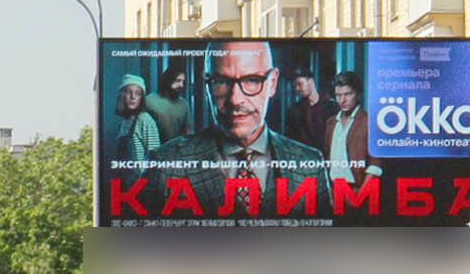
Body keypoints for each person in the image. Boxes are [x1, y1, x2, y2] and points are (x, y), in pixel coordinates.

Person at [145, 39, 329, 212]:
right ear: (207, 85)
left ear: (272, 83)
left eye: (251, 80)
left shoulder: (311, 164)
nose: (235, 99)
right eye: (221, 82)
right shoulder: (164, 164)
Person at [325, 68, 377, 186]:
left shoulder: (368, 121)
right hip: (333, 188)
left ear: (358, 94)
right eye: (338, 95)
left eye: (348, 94)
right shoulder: (331, 123)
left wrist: (362, 194)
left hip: (355, 188)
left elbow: (375, 163)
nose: (342, 100)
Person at [110, 74, 162, 161]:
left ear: (142, 98)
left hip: (141, 174)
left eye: (138, 93)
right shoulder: (123, 123)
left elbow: (155, 157)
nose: (133, 97)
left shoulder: (145, 120)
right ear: (122, 96)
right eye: (128, 92)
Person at [142, 64, 192, 144]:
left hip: (176, 153)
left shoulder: (184, 104)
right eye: (178, 80)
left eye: (183, 81)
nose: (181, 85)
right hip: (153, 151)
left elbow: (187, 133)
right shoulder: (148, 101)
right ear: (168, 80)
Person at [285, 69, 333, 153]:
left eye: (300, 84)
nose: (297, 88)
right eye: (295, 85)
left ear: (310, 82)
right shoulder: (294, 111)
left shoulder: (331, 107)